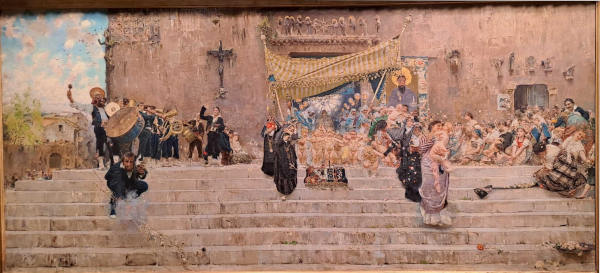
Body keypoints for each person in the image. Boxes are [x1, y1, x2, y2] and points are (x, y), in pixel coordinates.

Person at [534, 130, 593, 198]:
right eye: (579, 134)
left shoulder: (580, 146)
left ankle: (569, 188)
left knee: (555, 177)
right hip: (562, 160)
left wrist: (588, 161)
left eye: (581, 136)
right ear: (575, 133)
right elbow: (562, 147)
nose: (579, 137)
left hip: (569, 164)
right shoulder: (569, 139)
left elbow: (583, 158)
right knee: (553, 174)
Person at [419, 120, 451, 226]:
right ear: (432, 126)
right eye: (438, 126)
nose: (440, 127)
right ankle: (428, 214)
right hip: (427, 163)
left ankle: (439, 213)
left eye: (441, 126)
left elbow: (446, 148)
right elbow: (421, 149)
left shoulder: (443, 136)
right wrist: (433, 139)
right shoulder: (425, 136)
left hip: (439, 163)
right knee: (428, 185)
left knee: (440, 186)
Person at [105, 152, 148, 218]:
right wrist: (121, 196)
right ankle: (113, 210)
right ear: (123, 161)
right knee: (117, 191)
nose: (129, 164)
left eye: (131, 162)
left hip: (128, 182)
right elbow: (109, 178)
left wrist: (143, 173)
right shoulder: (117, 168)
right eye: (127, 161)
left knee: (144, 185)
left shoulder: (134, 166)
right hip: (114, 183)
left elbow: (141, 174)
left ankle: (132, 196)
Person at [273, 123, 299, 196]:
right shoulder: (280, 142)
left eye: (292, 129)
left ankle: (290, 189)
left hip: (290, 163)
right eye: (290, 129)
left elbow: (295, 137)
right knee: (283, 176)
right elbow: (277, 145)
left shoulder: (290, 144)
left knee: (291, 175)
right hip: (282, 163)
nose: (289, 136)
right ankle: (284, 191)